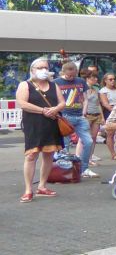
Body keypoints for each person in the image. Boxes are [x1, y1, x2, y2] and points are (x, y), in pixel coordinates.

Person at [15, 58, 64, 202]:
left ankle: (42, 186)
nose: (43, 70)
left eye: (45, 67)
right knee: (31, 156)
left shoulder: (54, 85)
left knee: (49, 155)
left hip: (51, 125)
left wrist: (55, 109)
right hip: (33, 125)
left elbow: (62, 102)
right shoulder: (25, 85)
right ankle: (28, 190)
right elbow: (22, 103)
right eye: (39, 67)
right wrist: (43, 111)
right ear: (32, 70)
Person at [53, 60, 98, 178]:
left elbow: (85, 98)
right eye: (68, 75)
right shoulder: (56, 82)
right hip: (65, 116)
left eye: (73, 75)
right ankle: (64, 171)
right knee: (65, 145)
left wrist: (84, 112)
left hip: (79, 116)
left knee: (88, 142)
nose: (71, 77)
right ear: (63, 72)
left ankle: (84, 169)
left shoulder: (80, 81)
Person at [82, 70, 104, 167]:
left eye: (96, 77)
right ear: (87, 79)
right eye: (93, 78)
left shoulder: (96, 89)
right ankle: (84, 158)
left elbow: (98, 104)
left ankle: (90, 157)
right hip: (87, 114)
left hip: (96, 114)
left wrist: (102, 117)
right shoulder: (83, 89)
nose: (95, 79)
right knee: (86, 137)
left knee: (94, 137)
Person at [99, 73, 116, 159]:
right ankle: (113, 154)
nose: (113, 81)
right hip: (110, 112)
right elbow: (105, 104)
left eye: (114, 79)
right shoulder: (103, 91)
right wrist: (115, 111)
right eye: (110, 79)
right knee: (110, 133)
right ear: (105, 80)